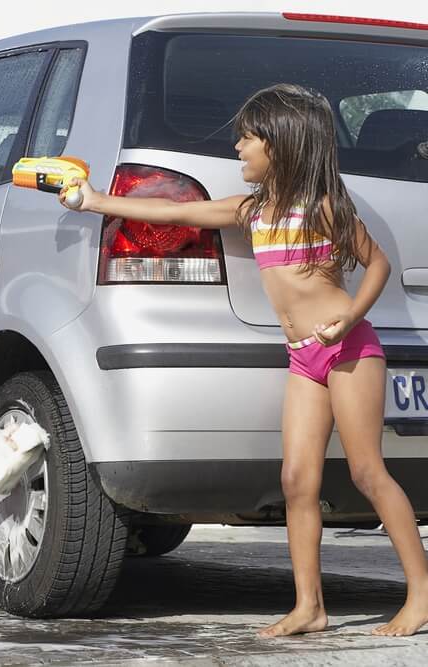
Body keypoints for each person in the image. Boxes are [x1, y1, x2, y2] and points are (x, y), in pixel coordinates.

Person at [60, 83, 428, 638]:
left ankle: (421, 594)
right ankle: (310, 606)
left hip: (349, 352)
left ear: (279, 143)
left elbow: (374, 264)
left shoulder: (324, 208)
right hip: (304, 359)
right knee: (297, 479)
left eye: (247, 137)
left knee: (367, 471)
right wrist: (93, 201)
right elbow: (172, 209)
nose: (238, 147)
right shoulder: (254, 211)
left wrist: (351, 316)